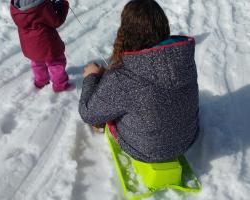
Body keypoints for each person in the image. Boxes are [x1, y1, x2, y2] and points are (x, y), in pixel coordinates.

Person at [79, 0, 199, 163]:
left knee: (102, 114)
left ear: (126, 31)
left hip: (147, 152)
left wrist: (91, 77)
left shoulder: (122, 77)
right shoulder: (182, 55)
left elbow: (88, 113)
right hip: (188, 139)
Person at [10, 0, 74, 92]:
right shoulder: (42, 6)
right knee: (56, 63)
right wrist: (63, 6)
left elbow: (33, 11)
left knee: (37, 63)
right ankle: (60, 85)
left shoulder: (16, 7)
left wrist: (51, 5)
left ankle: (41, 81)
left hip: (30, 46)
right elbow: (56, 21)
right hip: (48, 45)